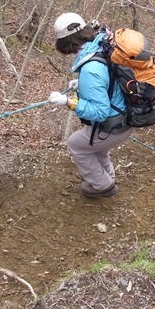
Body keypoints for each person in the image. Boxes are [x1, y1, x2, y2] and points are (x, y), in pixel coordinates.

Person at [48, 12, 133, 198]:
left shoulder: (90, 68)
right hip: (123, 117)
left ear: (65, 42)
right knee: (94, 144)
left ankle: (102, 185)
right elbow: (106, 82)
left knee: (76, 144)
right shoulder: (99, 48)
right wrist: (81, 84)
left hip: (113, 125)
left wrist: (68, 102)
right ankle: (107, 176)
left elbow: (100, 112)